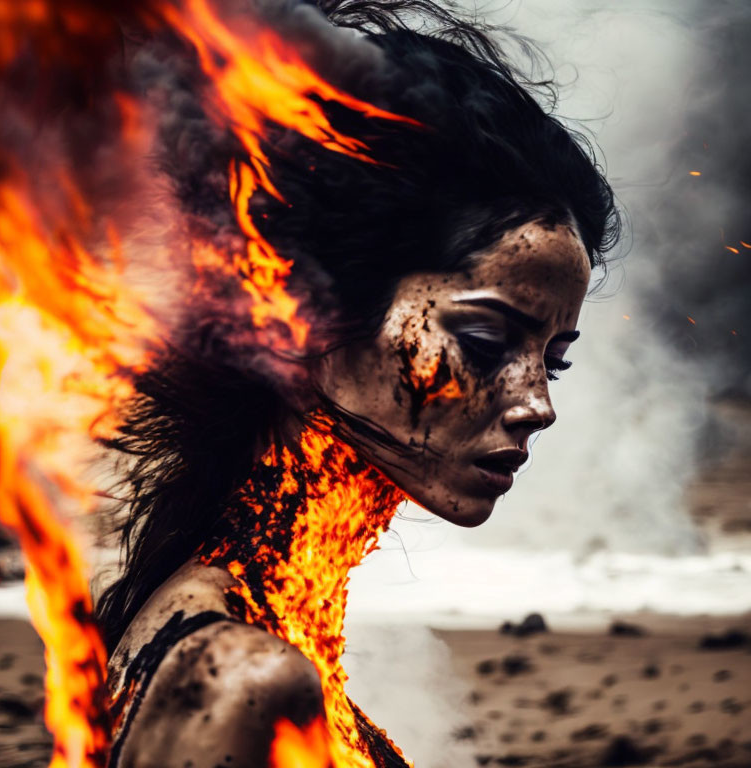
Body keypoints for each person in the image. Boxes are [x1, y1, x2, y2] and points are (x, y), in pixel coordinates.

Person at [96, 0, 619, 765]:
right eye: (483, 339)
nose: (538, 404)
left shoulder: (264, 624)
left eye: (554, 359)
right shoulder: (240, 678)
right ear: (303, 317)